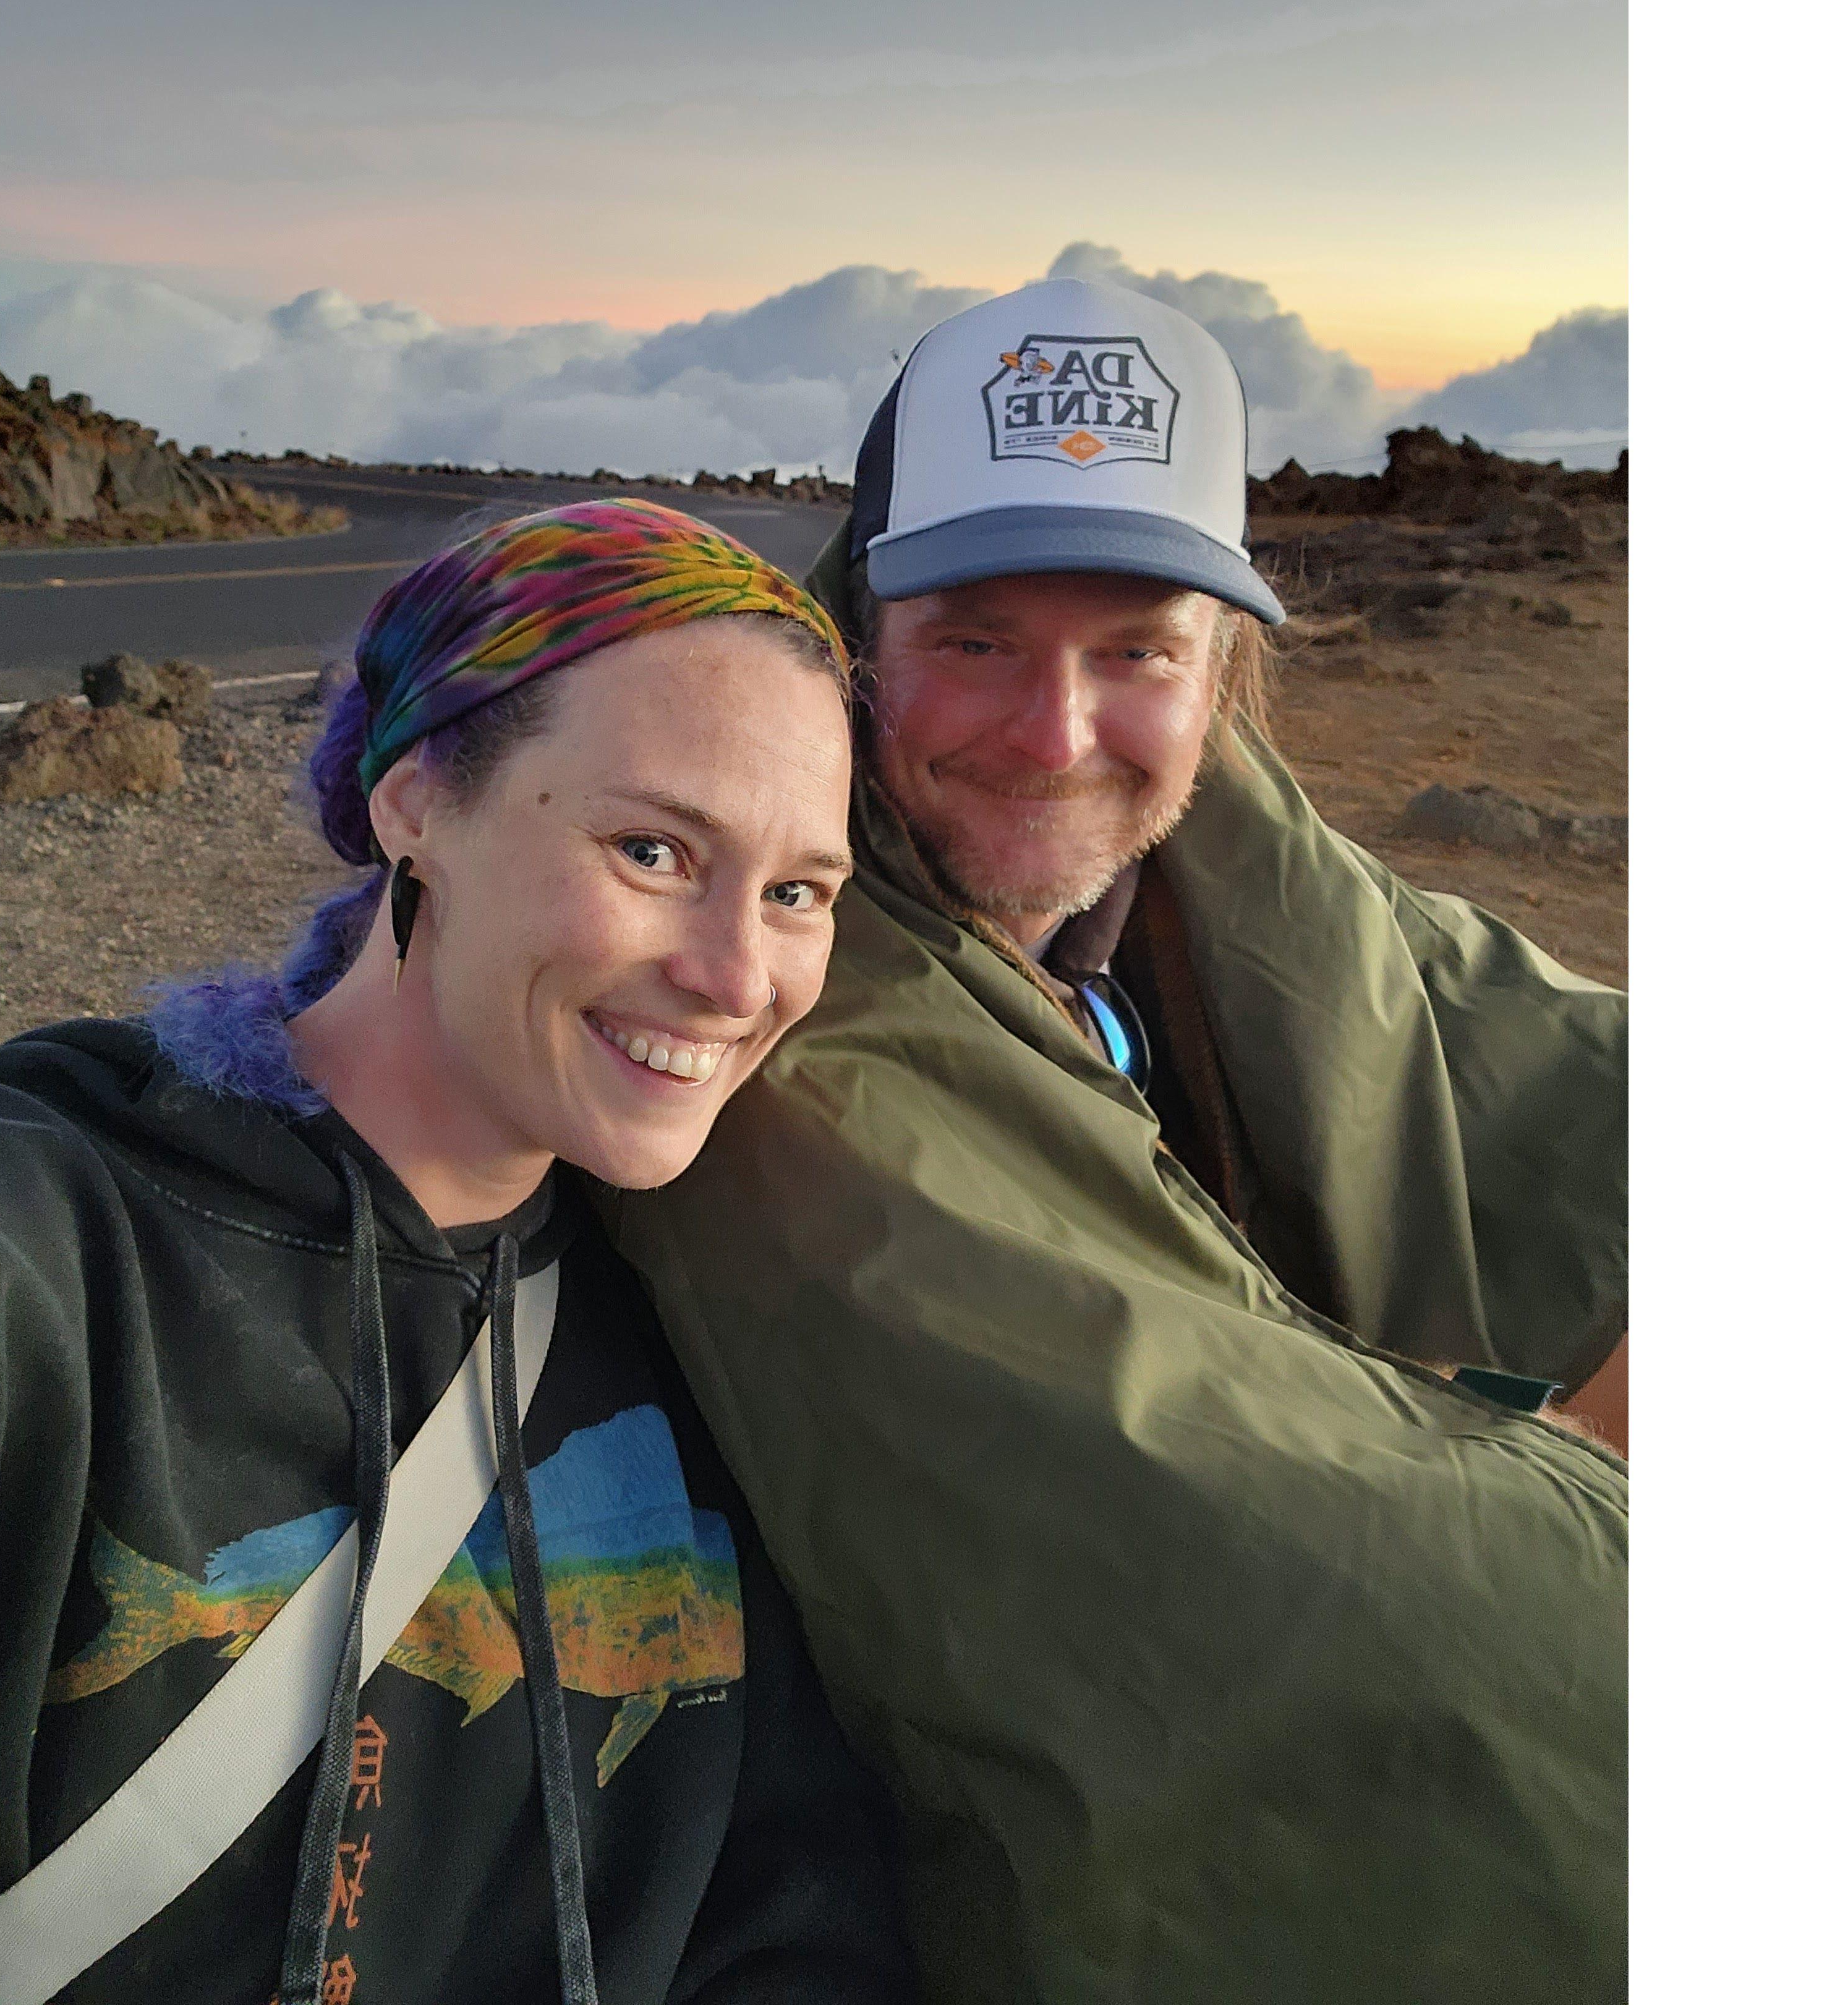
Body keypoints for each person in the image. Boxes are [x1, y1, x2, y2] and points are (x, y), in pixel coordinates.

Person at [606, 279, 1629, 2004]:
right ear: (862, 637)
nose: (1056, 738)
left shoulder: (1208, 881)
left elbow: (1495, 1022)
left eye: (1137, 651)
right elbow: (1322, 1594)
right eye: (978, 640)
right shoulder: (773, 1008)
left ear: (1221, 673)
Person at [0, 500, 913, 2005]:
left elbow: (786, 1907)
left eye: (797, 892)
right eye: (652, 848)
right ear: (415, 807)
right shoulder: (25, 1250)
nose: (737, 975)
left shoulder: (709, 1309)